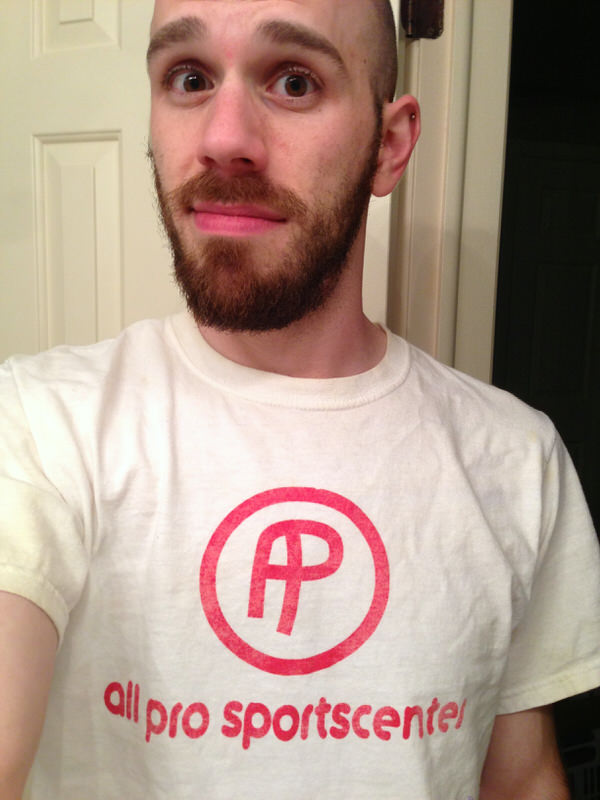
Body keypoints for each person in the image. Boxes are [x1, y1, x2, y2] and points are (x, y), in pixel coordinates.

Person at [1, 0, 599, 797]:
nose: (223, 138)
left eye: (293, 81)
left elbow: (521, 781)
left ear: (389, 145)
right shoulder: (37, 425)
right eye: (189, 78)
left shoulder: (517, 460)